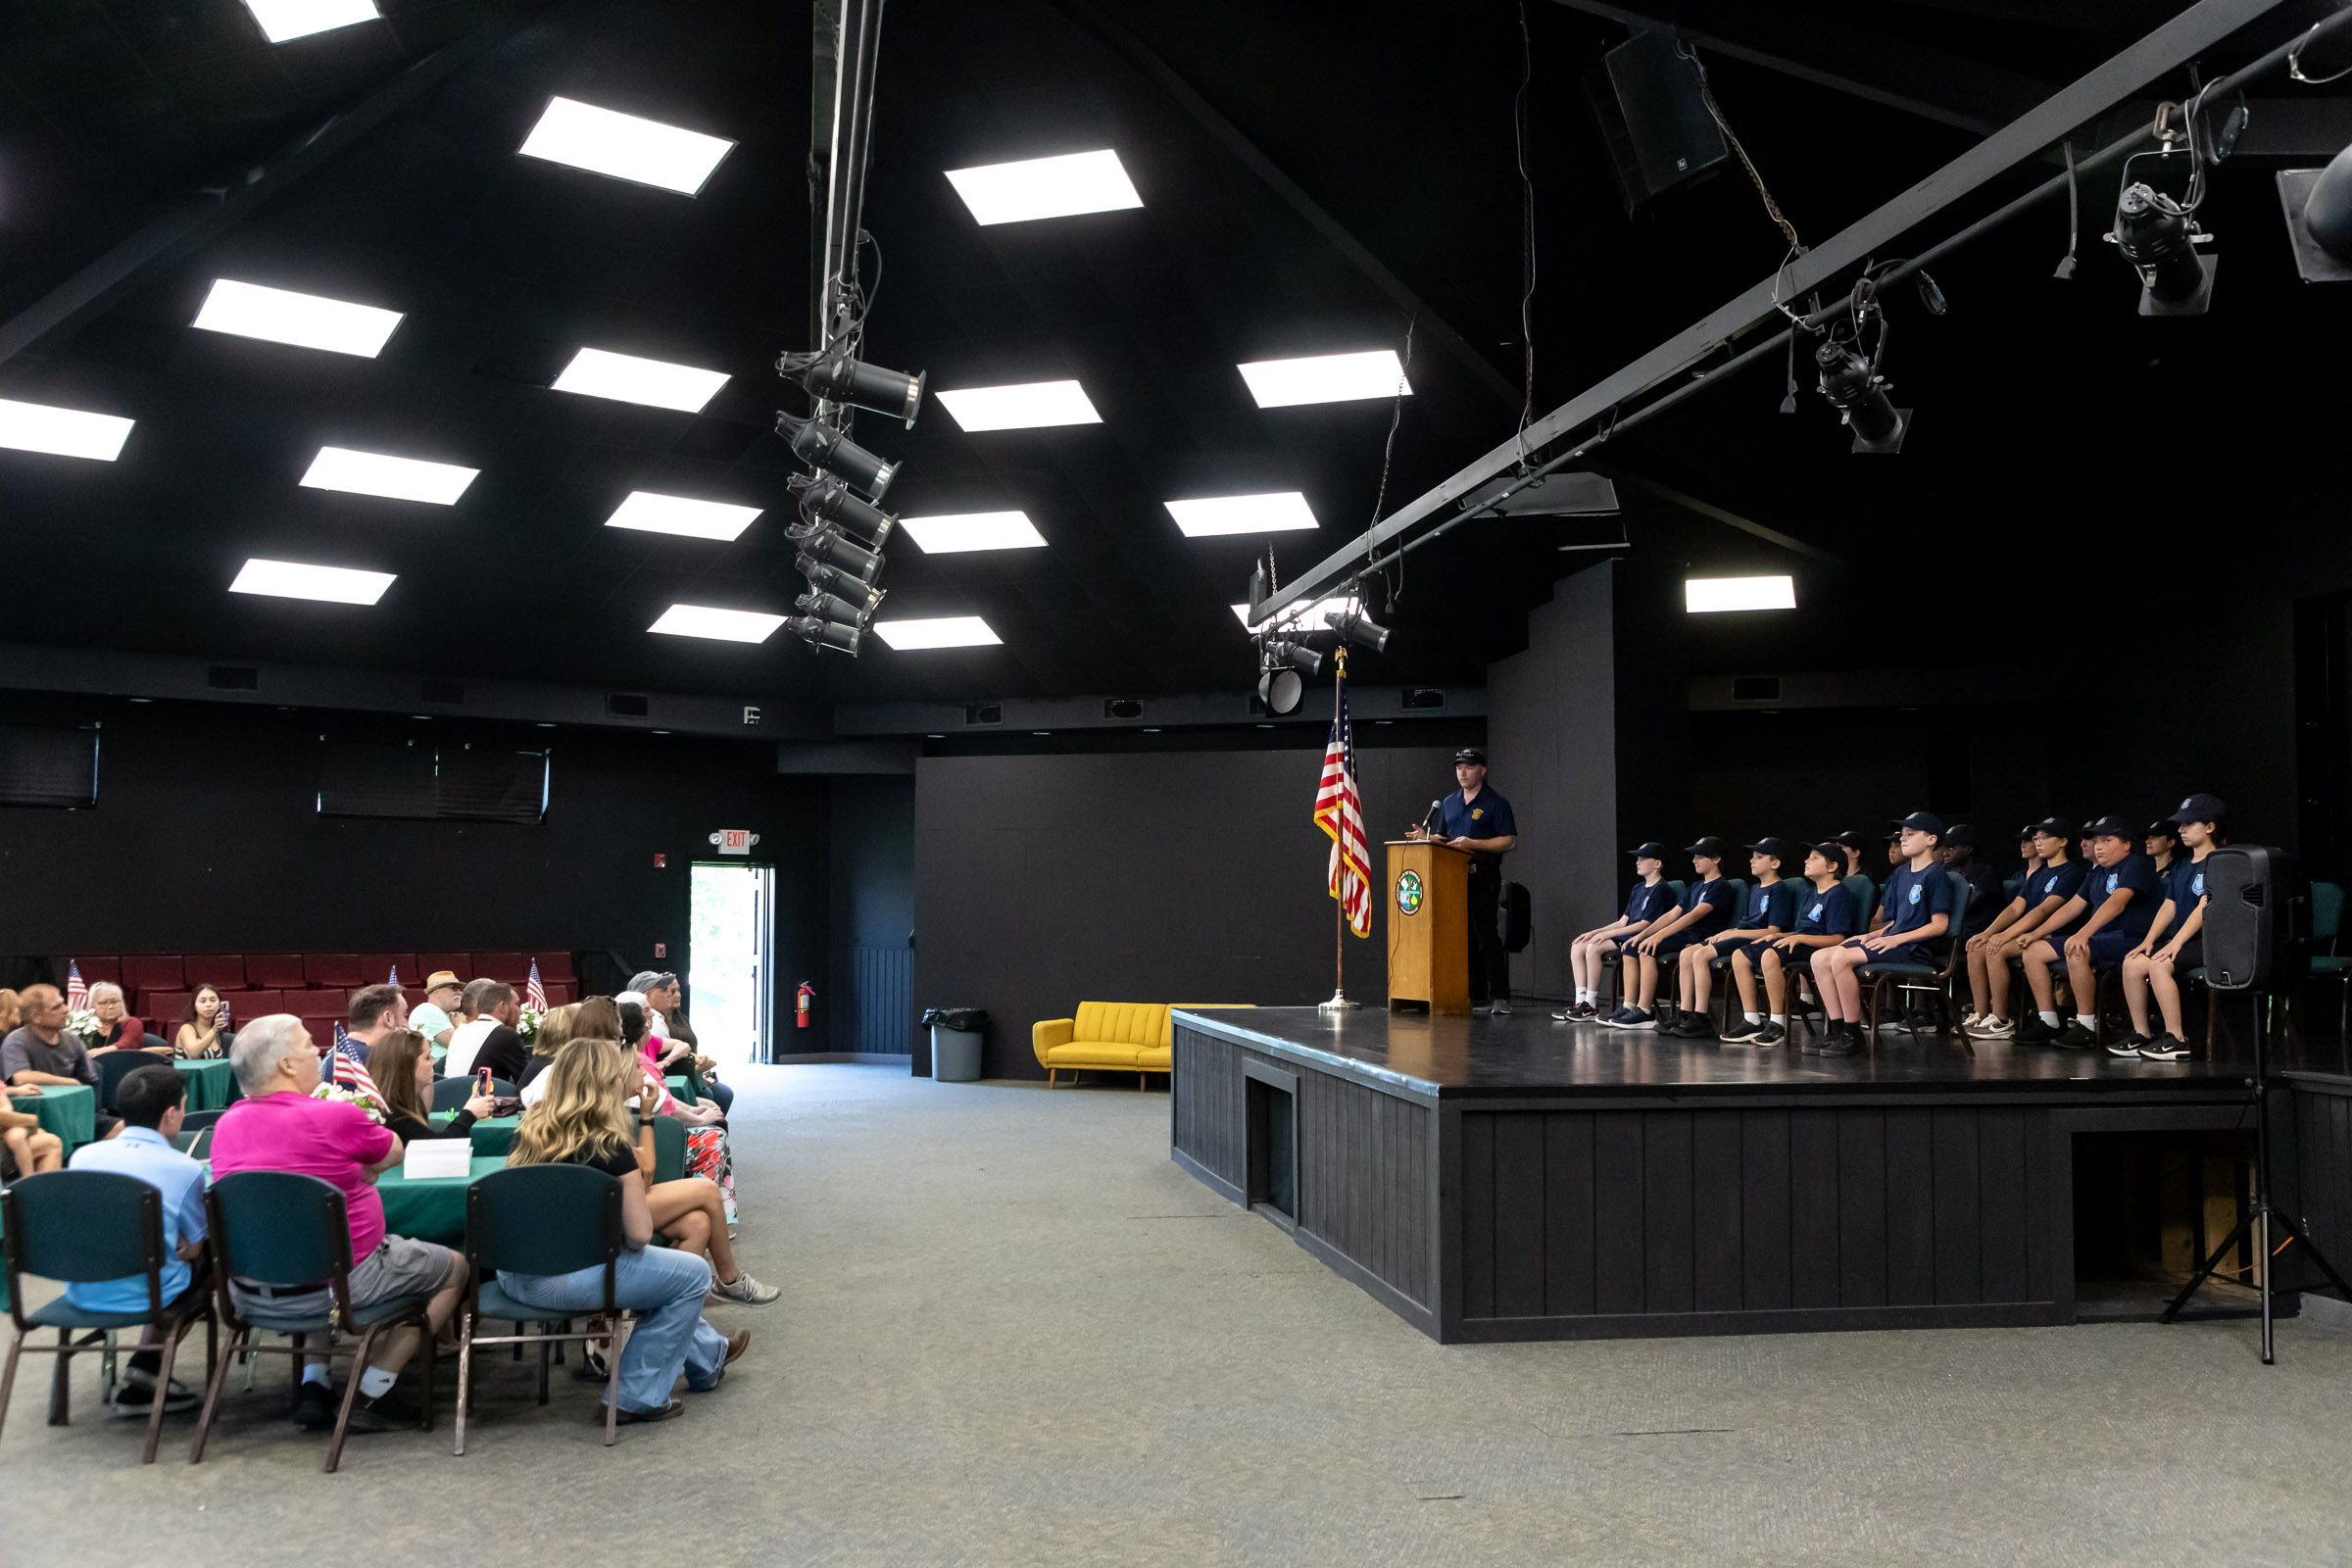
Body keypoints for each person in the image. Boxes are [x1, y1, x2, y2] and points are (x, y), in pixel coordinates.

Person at [210, 1015, 466, 1433]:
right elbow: (394, 1151)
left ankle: (315, 1383)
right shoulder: (334, 1117)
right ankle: (375, 1386)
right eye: (310, 1045)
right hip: (343, 1285)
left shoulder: (224, 1127)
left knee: (302, 1246)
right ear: (287, 1065)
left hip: (251, 1290)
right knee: (456, 1268)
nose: (319, 1052)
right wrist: (359, 1165)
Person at [497, 1037, 755, 1425]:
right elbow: (637, 1235)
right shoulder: (609, 1146)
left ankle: (709, 1355)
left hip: (512, 1274)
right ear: (609, 1083)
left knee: (663, 1275)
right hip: (567, 1279)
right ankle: (634, 1396)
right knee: (691, 1275)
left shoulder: (527, 1134)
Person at [64, 1064, 210, 1416]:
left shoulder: (82, 1157)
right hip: (150, 1295)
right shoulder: (184, 1168)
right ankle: (150, 1363)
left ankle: (146, 1367)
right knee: (210, 1263)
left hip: (82, 1289)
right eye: (184, 1106)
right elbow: (194, 1247)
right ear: (172, 1114)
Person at [1811, 812, 1955, 1056]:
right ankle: (1836, 1030)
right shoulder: (1899, 875)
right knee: (1819, 958)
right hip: (1895, 942)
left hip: (1916, 949)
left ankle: (1853, 1033)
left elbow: (1939, 925)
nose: (1903, 839)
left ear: (1931, 839)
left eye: (1910, 834)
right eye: (1902, 835)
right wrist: (1871, 936)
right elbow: (1895, 921)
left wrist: (1897, 938)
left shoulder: (1935, 874)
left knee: (1840, 959)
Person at [2019, 814, 2163, 1050]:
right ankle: (2049, 1021)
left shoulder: (2135, 865)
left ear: (2126, 844)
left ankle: (2087, 1025)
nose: (2098, 846)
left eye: (2106, 840)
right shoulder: (2096, 872)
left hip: (2129, 939)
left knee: (2077, 948)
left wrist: (2083, 933)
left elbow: (2117, 902)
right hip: (2101, 939)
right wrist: (2037, 932)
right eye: (2097, 841)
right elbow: (2073, 906)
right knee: (2033, 951)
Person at [1404, 747, 1519, 1015]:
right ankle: (1474, 995)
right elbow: (1445, 838)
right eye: (1458, 768)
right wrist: (1426, 838)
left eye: (1468, 767)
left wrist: (1473, 843)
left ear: (1482, 769)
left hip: (1483, 875)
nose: (1462, 773)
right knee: (1460, 936)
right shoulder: (1449, 802)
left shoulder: (1496, 803)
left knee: (1485, 935)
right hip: (1452, 877)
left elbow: (1510, 841)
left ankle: (1500, 995)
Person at [2117, 794, 2228, 1061]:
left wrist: (2175, 943)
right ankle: (2142, 1034)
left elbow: (2205, 906)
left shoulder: (2222, 861)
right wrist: (2149, 940)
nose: (2181, 829)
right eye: (2180, 824)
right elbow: (2170, 905)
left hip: (2214, 942)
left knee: (2159, 964)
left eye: (2188, 824)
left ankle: (2176, 1039)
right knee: (2132, 963)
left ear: (2210, 827)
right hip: (2187, 941)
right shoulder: (2181, 866)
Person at [1963, 819, 2084, 1039]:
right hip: (2026, 935)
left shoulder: (2071, 872)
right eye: (2036, 838)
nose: (2038, 842)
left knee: (1996, 949)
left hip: (2053, 935)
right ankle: (1980, 1013)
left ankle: (2001, 1019)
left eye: (2044, 837)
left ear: (2063, 841)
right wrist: (1988, 932)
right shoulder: (2038, 874)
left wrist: (2005, 936)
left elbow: (2044, 910)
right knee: (1977, 946)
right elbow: (2015, 908)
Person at [1732, 842, 1860, 1050]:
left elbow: (1837, 938)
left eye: (1815, 858)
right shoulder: (1811, 893)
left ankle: (1777, 1023)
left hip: (1821, 948)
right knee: (1740, 955)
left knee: (1770, 955)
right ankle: (1751, 1019)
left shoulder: (1838, 894)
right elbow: (1801, 931)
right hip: (1803, 942)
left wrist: (1798, 939)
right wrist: (1786, 935)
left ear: (1832, 866)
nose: (1807, 861)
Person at [1668, 838, 1797, 1040]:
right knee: (1686, 953)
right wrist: (1730, 932)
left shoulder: (1779, 889)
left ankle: (1701, 1017)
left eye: (1759, 857)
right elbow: (1744, 924)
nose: (1752, 861)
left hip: (1754, 941)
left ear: (1775, 863)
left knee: (1701, 955)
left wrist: (1735, 933)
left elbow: (1771, 930)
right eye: (1752, 857)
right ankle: (1686, 1013)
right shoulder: (1754, 889)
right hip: (1742, 936)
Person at [1606, 837, 1737, 1031]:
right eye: (1694, 857)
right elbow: (1672, 914)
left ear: (1716, 859)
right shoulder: (1695, 886)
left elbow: (1693, 916)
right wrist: (1644, 934)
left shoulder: (1721, 886)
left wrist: (1658, 936)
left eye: (1700, 856)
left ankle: (1645, 1010)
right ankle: (1640, 1007)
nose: (1694, 860)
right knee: (1636, 945)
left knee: (1649, 948)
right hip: (1685, 936)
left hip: (1700, 938)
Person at [1555, 843, 1677, 1020]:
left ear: (1657, 864)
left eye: (1643, 858)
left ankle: (1591, 1004)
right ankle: (1580, 1002)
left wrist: (1608, 935)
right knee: (1578, 946)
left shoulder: (1662, 889)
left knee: (1593, 948)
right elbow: (1622, 921)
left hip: (1637, 937)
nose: (1637, 862)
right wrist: (1594, 932)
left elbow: (1646, 924)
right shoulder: (1637, 888)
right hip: (1626, 933)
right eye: (1637, 858)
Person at [3, 983, 124, 1140]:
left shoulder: (72, 1041)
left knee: (124, 1130)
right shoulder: (16, 1041)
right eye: (56, 1007)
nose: (66, 1010)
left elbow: (90, 1083)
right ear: (36, 1017)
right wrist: (70, 1082)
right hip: (34, 1118)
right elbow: (22, 1077)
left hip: (73, 1115)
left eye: (63, 1003)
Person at [628, 970, 735, 1113]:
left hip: (679, 1080)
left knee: (721, 1094)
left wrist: (694, 1062)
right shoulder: (655, 1026)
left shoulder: (677, 1018)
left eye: (675, 990)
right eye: (669, 991)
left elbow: (683, 1046)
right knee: (714, 1097)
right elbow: (658, 1089)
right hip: (666, 1085)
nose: (676, 995)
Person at [369, 1028, 494, 1144]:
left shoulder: (407, 1105)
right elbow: (438, 1148)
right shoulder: (397, 1119)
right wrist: (469, 1114)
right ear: (408, 1066)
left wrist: (469, 1111)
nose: (433, 1062)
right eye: (427, 1057)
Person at [445, 981, 527, 1084]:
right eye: (517, 1004)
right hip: (475, 1097)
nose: (520, 1011)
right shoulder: (505, 1035)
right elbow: (528, 1083)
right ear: (502, 1006)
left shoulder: (461, 1030)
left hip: (450, 1096)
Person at [1941, 826, 2005, 940]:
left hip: (1978, 934)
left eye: (1951, 848)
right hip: (1956, 934)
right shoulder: (1949, 872)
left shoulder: (1987, 875)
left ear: (1967, 849)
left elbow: (1962, 907)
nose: (1945, 853)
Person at [87, 981, 168, 1055]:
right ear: (92, 1006)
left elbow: (126, 1043)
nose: (110, 1007)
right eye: (103, 1003)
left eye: (114, 1002)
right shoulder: (85, 1027)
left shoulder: (132, 1023)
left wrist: (102, 1051)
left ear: (122, 1003)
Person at [406, 971, 465, 1057]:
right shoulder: (428, 1011)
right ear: (437, 993)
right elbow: (459, 1044)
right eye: (454, 988)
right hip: (433, 1069)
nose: (460, 992)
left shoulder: (448, 1015)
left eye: (460, 988)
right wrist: (460, 1024)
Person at [174, 984, 232, 1058]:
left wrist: (215, 1030)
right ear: (194, 1006)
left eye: (213, 1000)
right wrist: (214, 1030)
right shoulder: (187, 1028)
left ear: (219, 1005)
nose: (208, 1004)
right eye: (203, 1001)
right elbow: (193, 1053)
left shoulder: (216, 1031)